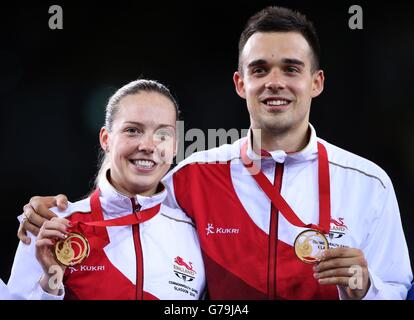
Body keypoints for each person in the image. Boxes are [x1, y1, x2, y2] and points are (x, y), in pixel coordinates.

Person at [15, 6, 412, 299]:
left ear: (317, 82)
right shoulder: (192, 176)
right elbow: (127, 207)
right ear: (240, 84)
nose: (274, 82)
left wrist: (367, 289)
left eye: (291, 69)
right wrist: (56, 213)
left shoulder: (368, 184)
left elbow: (397, 291)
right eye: (260, 70)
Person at [7, 79, 206, 300]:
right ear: (106, 139)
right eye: (132, 130)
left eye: (163, 135)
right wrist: (51, 283)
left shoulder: (195, 234)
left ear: (175, 145)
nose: (148, 146)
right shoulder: (51, 225)